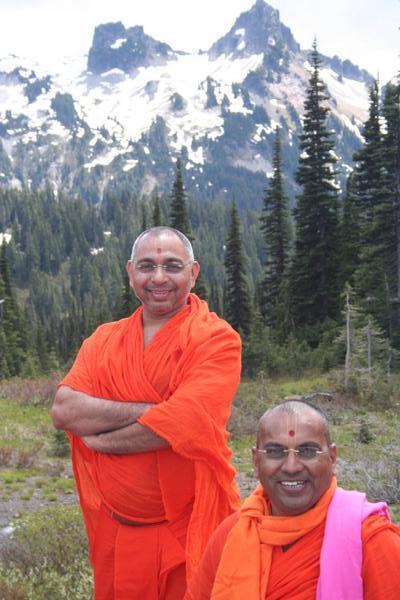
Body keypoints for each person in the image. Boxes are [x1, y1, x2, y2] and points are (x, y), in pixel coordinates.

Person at [51, 226, 242, 600]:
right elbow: (64, 410)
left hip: (188, 530)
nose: (158, 278)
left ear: (193, 272)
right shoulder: (104, 340)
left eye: (172, 266)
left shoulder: (216, 339)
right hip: (115, 532)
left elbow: (186, 424)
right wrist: (162, 411)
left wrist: (100, 441)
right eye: (146, 266)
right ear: (130, 272)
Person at [186, 399, 400, 599]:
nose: (291, 467)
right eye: (275, 451)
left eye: (307, 451)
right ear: (256, 461)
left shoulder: (371, 540)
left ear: (332, 458)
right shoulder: (230, 534)